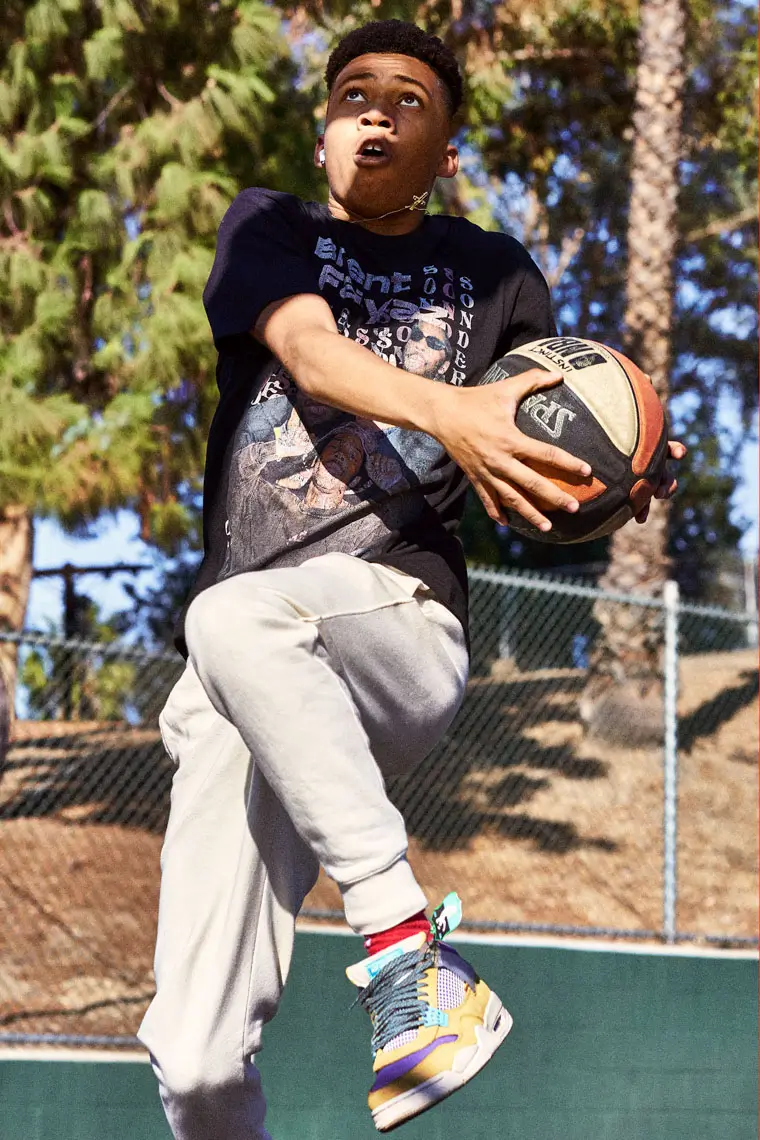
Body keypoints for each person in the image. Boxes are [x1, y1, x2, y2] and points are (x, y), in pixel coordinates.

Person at [138, 19, 684, 1139]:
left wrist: (622, 469)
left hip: (391, 623)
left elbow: (544, 430)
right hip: (241, 677)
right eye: (352, 95)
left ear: (445, 152)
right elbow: (305, 348)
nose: (373, 111)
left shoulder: (491, 272)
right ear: (325, 127)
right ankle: (402, 969)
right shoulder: (268, 227)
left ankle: (404, 946)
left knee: (232, 613)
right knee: (192, 1060)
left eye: (405, 99)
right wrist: (450, 410)